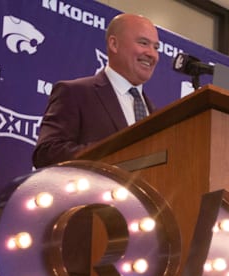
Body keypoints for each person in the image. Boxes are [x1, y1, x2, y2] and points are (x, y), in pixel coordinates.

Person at [32, 13, 160, 168]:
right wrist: (116, 155)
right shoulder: (75, 93)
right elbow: (47, 153)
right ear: (114, 44)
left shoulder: (155, 113)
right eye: (143, 43)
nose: (152, 54)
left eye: (156, 47)